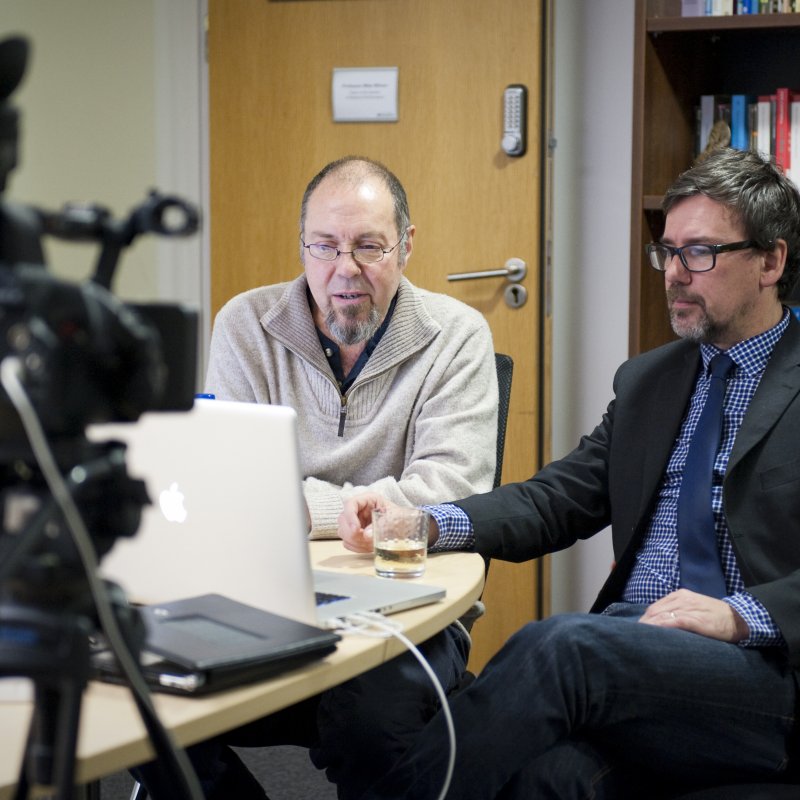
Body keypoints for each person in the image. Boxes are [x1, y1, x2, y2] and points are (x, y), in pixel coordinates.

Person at [339, 147, 800, 799]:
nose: (674, 273)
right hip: (635, 653)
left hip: (762, 676)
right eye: (667, 251)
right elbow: (557, 499)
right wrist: (421, 522)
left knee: (563, 648)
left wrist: (739, 615)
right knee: (550, 779)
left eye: (700, 253)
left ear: (771, 261)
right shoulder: (652, 380)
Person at [134, 155, 497, 799]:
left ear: (407, 246)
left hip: (408, 605)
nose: (344, 270)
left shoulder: (457, 336)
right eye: (324, 247)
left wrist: (300, 509)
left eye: (368, 247)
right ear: (302, 246)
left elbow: (450, 493)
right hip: (265, 597)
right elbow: (235, 491)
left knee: (370, 727)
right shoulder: (245, 326)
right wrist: (339, 510)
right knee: (145, 697)